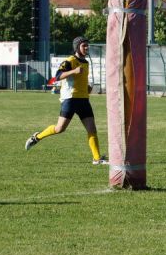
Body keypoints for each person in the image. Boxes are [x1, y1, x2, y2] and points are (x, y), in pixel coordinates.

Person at [25, 36, 107, 165]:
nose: (86, 48)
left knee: (92, 129)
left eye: (87, 45)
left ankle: (97, 158)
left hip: (84, 100)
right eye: (83, 45)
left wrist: (87, 88)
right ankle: (37, 137)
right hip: (70, 99)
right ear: (77, 47)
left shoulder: (85, 62)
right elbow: (57, 76)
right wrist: (73, 71)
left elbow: (79, 80)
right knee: (59, 129)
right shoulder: (70, 61)